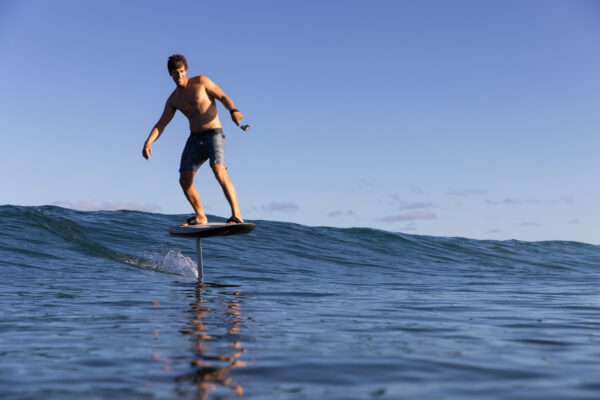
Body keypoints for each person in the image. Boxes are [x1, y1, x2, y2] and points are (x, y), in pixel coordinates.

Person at [142, 54, 244, 226]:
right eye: (175, 73)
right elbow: (161, 123)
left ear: (186, 70)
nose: (180, 75)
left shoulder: (201, 82)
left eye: (182, 71)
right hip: (195, 139)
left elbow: (223, 97)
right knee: (184, 180)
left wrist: (233, 110)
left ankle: (237, 215)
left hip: (214, 134)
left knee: (219, 171)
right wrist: (148, 142)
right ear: (171, 74)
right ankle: (201, 216)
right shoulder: (174, 99)